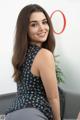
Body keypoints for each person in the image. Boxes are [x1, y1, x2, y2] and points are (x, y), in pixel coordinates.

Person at [5, 4, 61, 120]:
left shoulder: (20, 55)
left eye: (44, 22)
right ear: (25, 29)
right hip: (32, 114)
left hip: (11, 114)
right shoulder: (44, 55)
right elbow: (53, 97)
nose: (42, 28)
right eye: (34, 24)